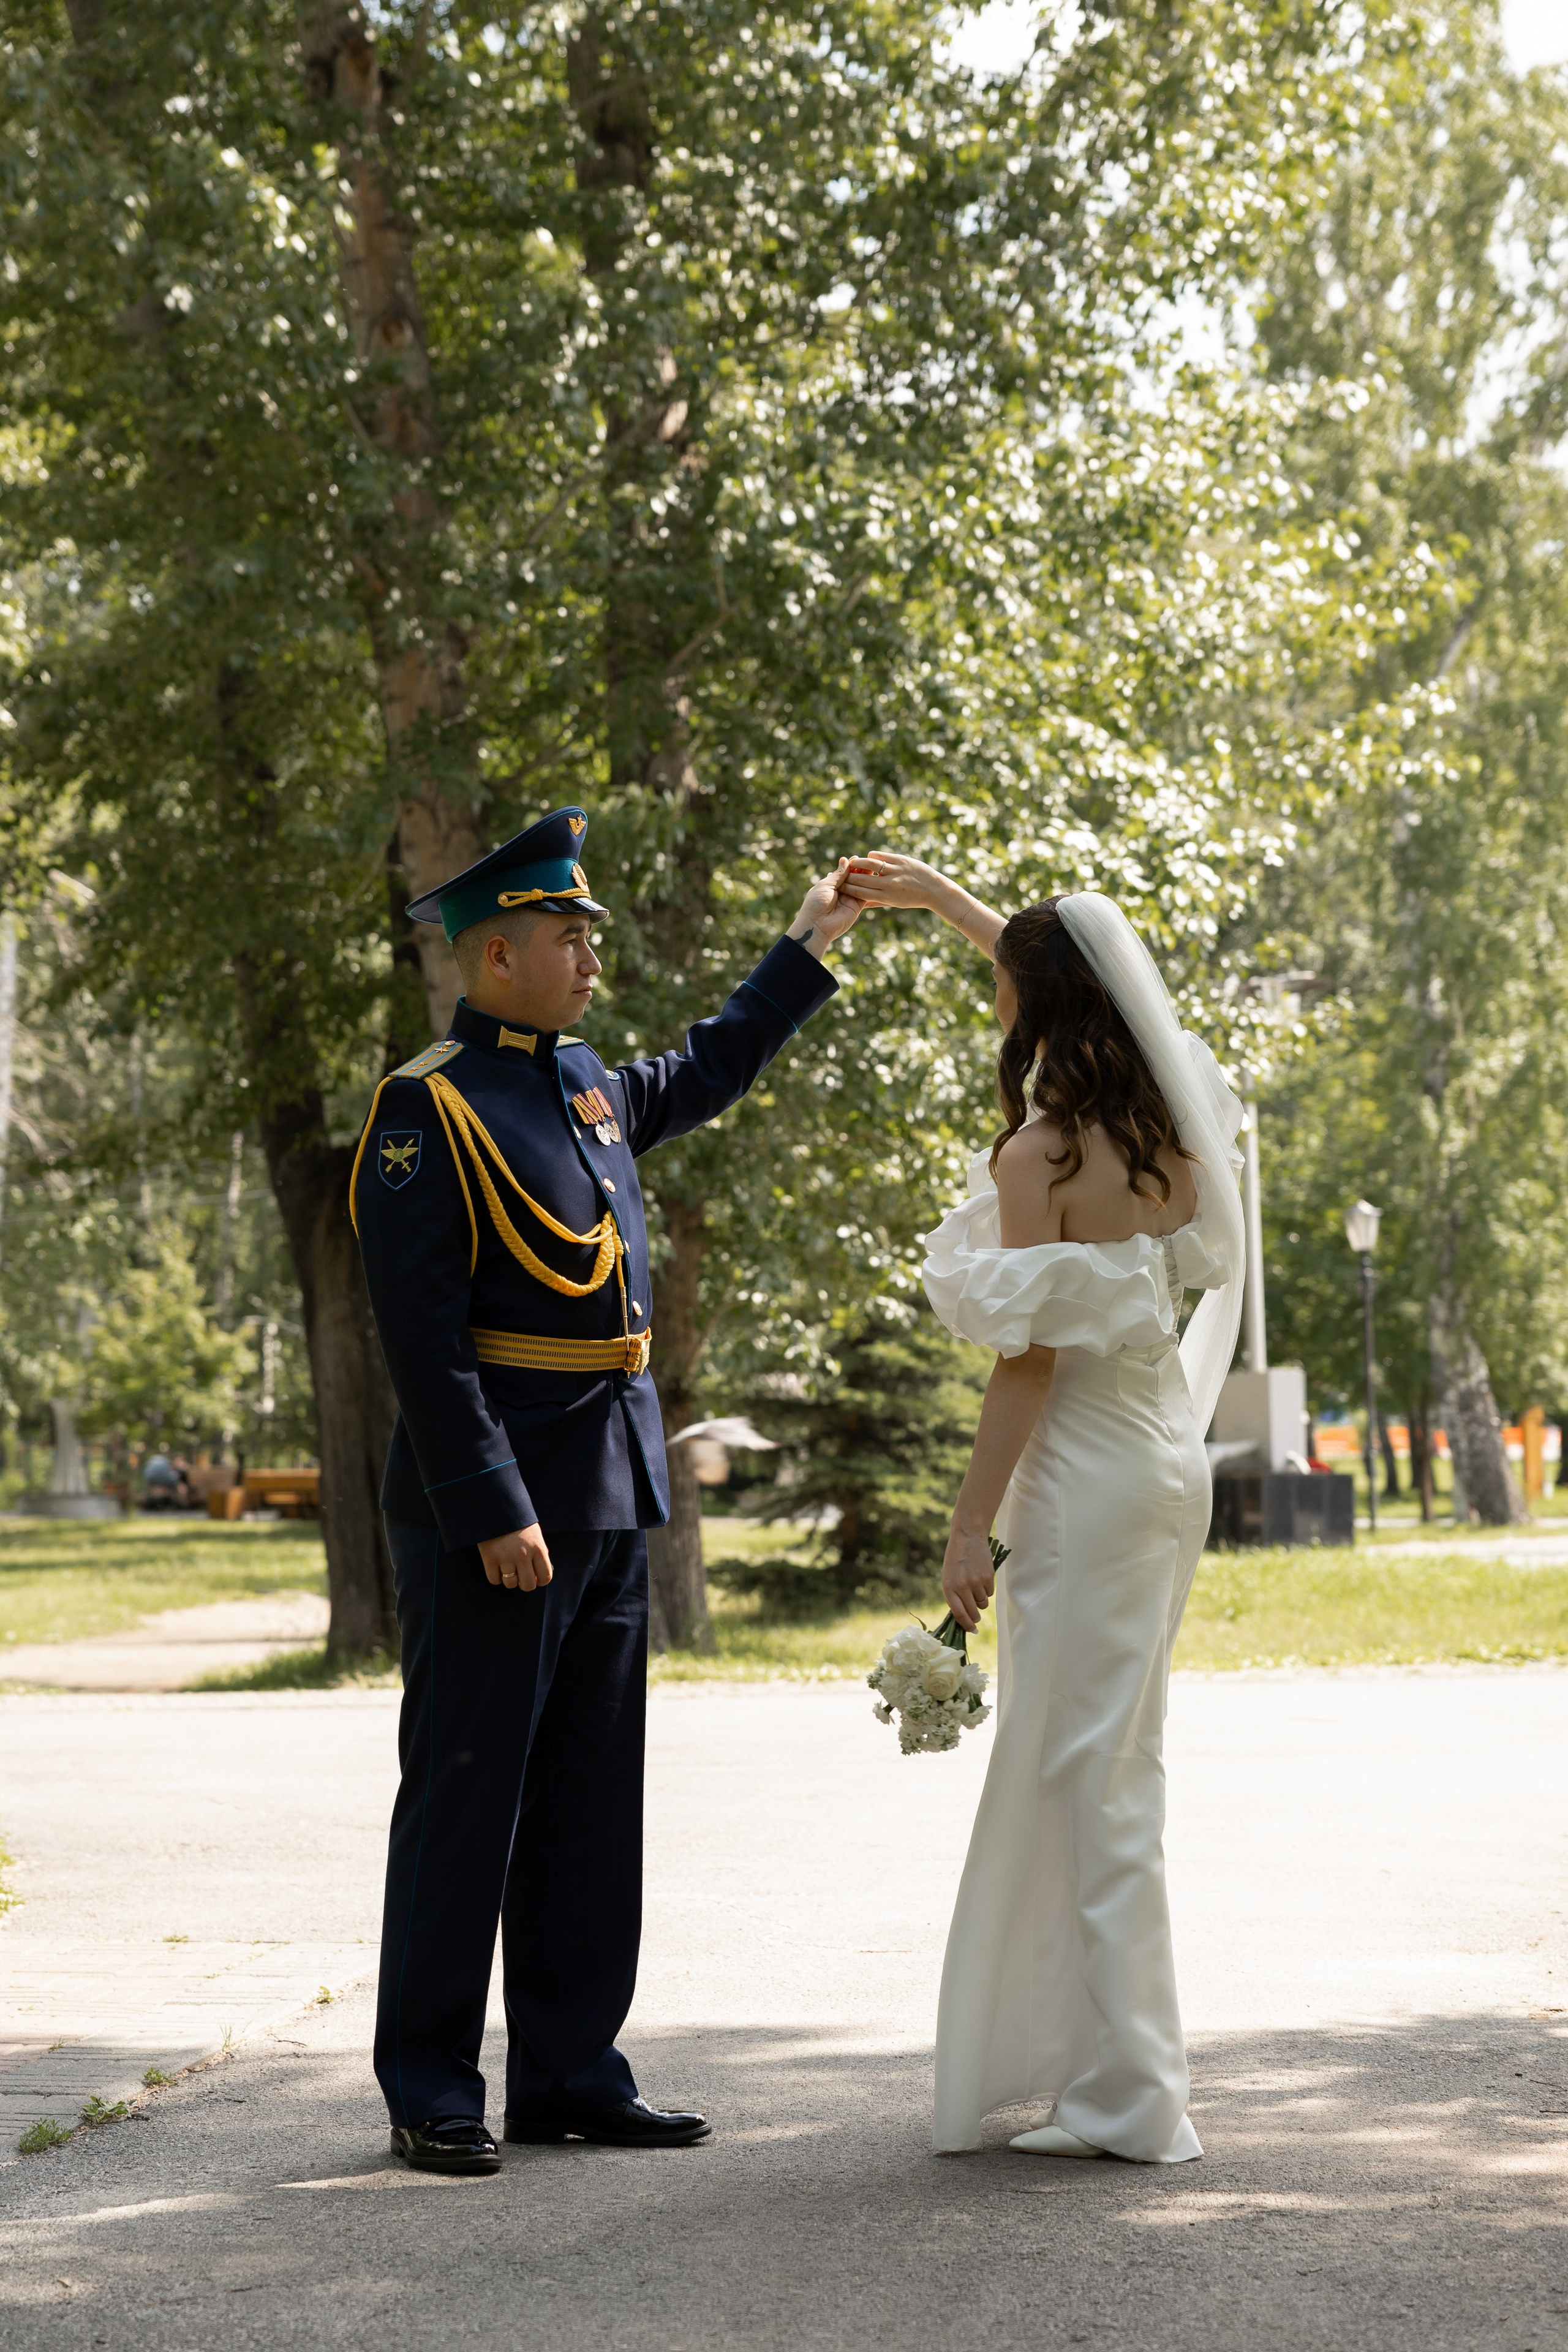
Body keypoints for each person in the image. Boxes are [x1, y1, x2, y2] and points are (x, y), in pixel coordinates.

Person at [352, 805, 862, 2176]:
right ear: (494, 952)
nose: (590, 952)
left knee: (587, 1798)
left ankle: (572, 2069)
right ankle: (431, 2088)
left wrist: (803, 950)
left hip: (609, 1481)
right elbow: (422, 1333)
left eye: (588, 931)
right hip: (504, 1504)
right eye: (566, 934)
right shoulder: (427, 1106)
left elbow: (702, 1070)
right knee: (470, 1792)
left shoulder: (578, 1082)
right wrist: (489, 1501)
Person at [839, 858, 1243, 2162]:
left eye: (998, 976)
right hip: (1164, 1469)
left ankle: (1131, 2098)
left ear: (1033, 998)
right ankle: (1106, 2073)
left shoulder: (1038, 1154)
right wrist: (957, 907)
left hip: (1076, 1479)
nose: (989, 995)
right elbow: (1101, 994)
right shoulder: (1169, 1133)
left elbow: (1023, 1361)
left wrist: (971, 1525)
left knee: (1088, 1780)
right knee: (1112, 1770)